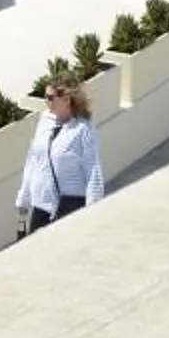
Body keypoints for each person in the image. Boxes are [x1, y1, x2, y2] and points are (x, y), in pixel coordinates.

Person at [15, 75, 105, 234]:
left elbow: (92, 171)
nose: (46, 101)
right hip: (41, 205)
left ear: (66, 99)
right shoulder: (45, 120)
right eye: (45, 97)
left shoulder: (82, 129)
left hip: (70, 206)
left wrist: (93, 212)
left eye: (50, 97)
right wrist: (24, 199)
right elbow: (32, 161)